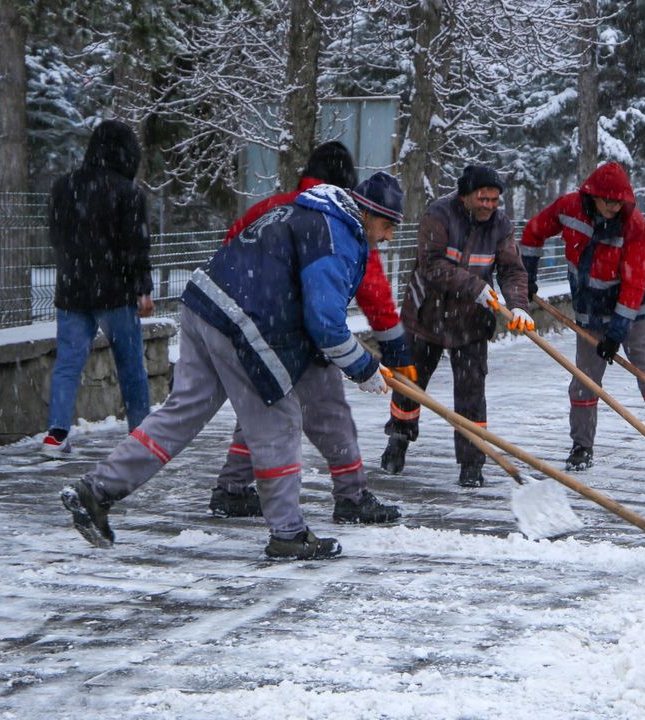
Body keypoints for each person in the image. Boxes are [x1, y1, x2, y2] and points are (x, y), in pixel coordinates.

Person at [60, 181, 392, 561]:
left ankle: (97, 489)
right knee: (279, 420)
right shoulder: (338, 235)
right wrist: (364, 367)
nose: (388, 236)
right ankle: (288, 534)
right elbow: (326, 322)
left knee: (183, 411)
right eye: (387, 225)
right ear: (365, 214)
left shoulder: (302, 213)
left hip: (205, 300)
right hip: (244, 321)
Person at [208, 152, 412, 526]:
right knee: (329, 412)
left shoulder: (277, 207)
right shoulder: (339, 226)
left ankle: (232, 488)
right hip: (301, 334)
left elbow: (230, 254)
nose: (387, 236)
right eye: (386, 226)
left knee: (260, 411)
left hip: (255, 328)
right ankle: (348, 497)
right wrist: (391, 344)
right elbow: (367, 286)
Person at [521, 161, 645, 473]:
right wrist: (526, 274)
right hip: (590, 311)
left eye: (618, 201)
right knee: (584, 382)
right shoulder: (569, 208)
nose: (613, 207)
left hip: (635, 314)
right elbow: (533, 231)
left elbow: (634, 283)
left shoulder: (633, 225)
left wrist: (618, 331)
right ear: (592, 195)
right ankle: (581, 446)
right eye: (607, 201)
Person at [379, 164, 534, 488]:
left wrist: (518, 305)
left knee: (471, 394)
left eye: (494, 199)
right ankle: (399, 439)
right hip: (426, 316)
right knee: (410, 383)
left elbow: (512, 270)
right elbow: (431, 264)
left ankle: (472, 463)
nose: (489, 205)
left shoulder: (500, 226)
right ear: (465, 195)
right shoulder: (439, 215)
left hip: (472, 322)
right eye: (483, 198)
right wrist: (475, 287)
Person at [41, 120, 154, 458]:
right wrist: (142, 288)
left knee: (68, 363)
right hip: (115, 293)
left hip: (72, 290)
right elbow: (136, 246)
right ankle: (140, 436)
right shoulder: (127, 193)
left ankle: (56, 434)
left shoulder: (64, 187)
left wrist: (75, 268)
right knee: (131, 365)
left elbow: (56, 236)